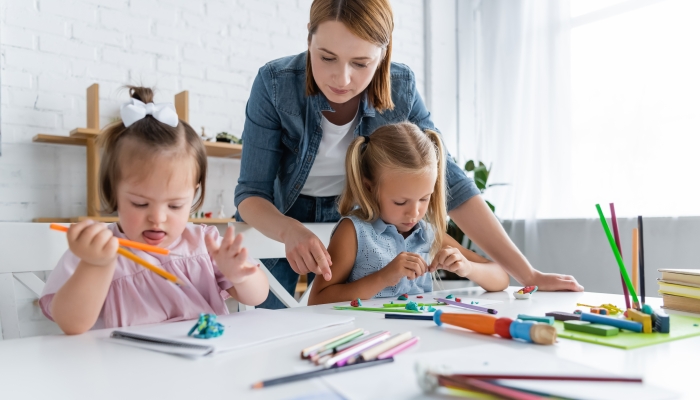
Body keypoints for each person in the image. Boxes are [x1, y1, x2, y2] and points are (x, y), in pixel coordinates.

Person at [235, 0, 582, 309]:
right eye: (326, 57)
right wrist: (288, 230)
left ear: (383, 54)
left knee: (341, 325)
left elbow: (454, 184)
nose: (342, 78)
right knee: (267, 321)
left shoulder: (400, 87)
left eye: (361, 63)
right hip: (283, 214)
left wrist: (529, 273)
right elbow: (251, 194)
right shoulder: (275, 83)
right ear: (309, 39)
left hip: (365, 210)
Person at [40, 87, 268, 335]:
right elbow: (71, 324)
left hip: (202, 363)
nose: (157, 218)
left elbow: (258, 296)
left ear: (194, 192)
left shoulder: (205, 243)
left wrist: (241, 276)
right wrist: (96, 266)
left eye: (175, 205)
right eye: (140, 203)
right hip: (126, 367)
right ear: (113, 192)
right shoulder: (96, 249)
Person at [308, 123, 509, 304]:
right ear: (369, 188)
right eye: (400, 202)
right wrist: (383, 277)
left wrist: (468, 268)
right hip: (366, 338)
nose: (414, 213)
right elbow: (318, 300)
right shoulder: (354, 232)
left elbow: (501, 277)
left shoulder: (427, 234)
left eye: (424, 199)